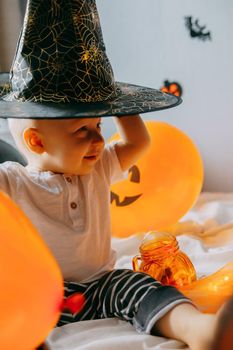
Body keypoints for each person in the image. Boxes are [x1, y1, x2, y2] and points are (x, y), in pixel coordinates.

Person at [0, 114, 231, 350]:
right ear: (37, 141)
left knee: (142, 286)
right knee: (14, 311)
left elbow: (137, 143)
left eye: (98, 125)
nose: (99, 138)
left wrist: (121, 106)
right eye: (82, 130)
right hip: (48, 297)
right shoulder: (13, 180)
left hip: (103, 284)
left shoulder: (100, 166)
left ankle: (200, 330)